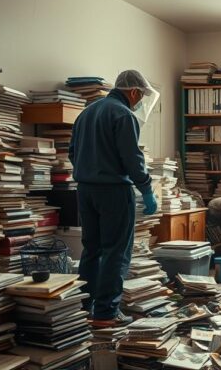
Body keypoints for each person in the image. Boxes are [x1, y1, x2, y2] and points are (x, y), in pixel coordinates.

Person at [69, 69, 159, 327]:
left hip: (85, 190)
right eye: (140, 96)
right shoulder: (123, 115)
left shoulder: (86, 113)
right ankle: (106, 313)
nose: (140, 101)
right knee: (115, 252)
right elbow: (132, 159)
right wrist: (147, 189)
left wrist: (89, 172)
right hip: (114, 192)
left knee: (92, 250)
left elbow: (72, 152)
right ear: (133, 92)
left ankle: (85, 307)